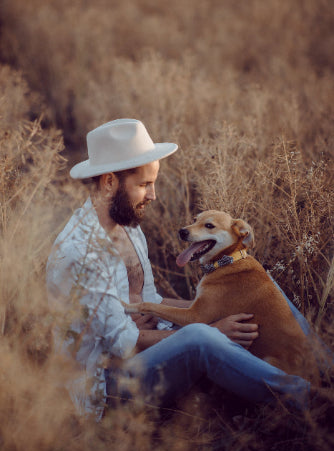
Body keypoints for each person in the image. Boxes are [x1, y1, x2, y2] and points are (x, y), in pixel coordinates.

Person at [47, 119, 313, 419]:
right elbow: (124, 344)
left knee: (260, 284)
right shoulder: (81, 252)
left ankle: (321, 364)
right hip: (108, 384)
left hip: (148, 347)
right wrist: (212, 329)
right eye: (144, 185)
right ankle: (310, 400)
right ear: (109, 182)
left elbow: (151, 300)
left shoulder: (127, 226)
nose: (153, 195)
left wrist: (217, 311)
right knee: (201, 339)